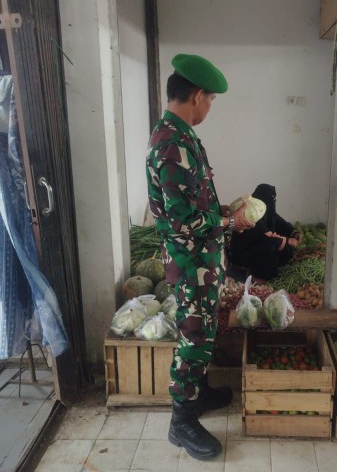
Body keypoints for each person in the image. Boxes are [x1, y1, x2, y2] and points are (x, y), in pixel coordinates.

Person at [145, 53, 254, 460]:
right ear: (196, 96)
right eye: (210, 99)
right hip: (191, 263)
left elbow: (193, 202)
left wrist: (222, 210)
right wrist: (229, 222)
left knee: (204, 331)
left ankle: (200, 392)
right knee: (193, 337)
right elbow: (183, 220)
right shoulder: (171, 144)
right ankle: (182, 421)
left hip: (202, 261)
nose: (210, 106)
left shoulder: (183, 135)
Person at [229, 184, 302, 280]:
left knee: (283, 246)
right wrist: (289, 241)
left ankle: (275, 269)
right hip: (242, 255)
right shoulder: (252, 216)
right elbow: (268, 237)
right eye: (272, 199)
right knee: (271, 246)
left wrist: (294, 232)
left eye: (274, 199)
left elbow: (280, 223)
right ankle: (259, 277)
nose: (274, 201)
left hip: (255, 247)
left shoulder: (266, 211)